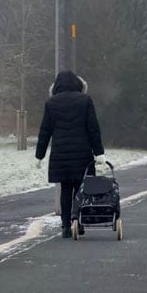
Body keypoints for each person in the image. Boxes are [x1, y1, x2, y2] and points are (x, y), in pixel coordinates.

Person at [35, 71, 106, 238]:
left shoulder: (51, 103)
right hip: (82, 153)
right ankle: (79, 221)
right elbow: (93, 128)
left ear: (56, 86)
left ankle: (66, 225)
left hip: (61, 154)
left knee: (65, 189)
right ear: (78, 85)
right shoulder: (85, 101)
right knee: (81, 188)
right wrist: (99, 153)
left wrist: (39, 155)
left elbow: (45, 130)